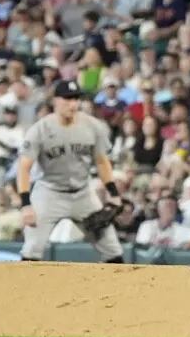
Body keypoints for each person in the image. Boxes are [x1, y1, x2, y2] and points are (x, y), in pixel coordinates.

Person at [16, 80, 123, 263]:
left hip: (83, 193)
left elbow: (101, 161)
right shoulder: (40, 129)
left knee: (112, 250)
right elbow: (24, 167)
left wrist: (113, 193)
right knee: (32, 249)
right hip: (49, 193)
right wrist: (26, 204)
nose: (72, 104)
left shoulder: (93, 126)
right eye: (67, 99)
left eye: (75, 99)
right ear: (55, 100)